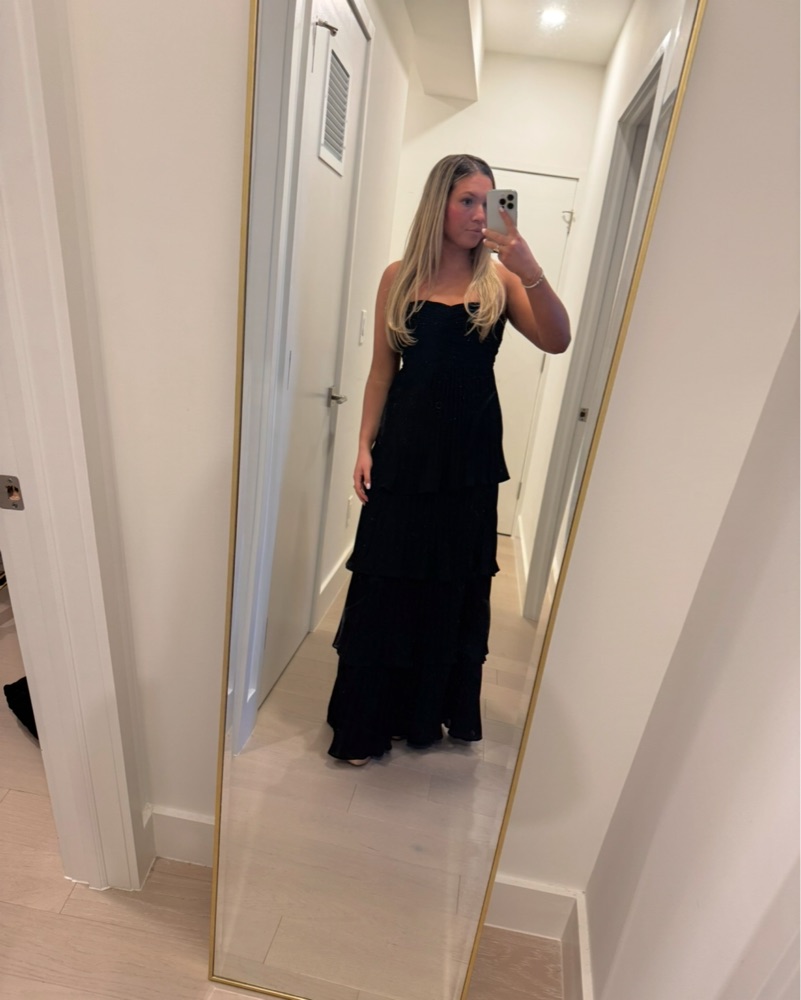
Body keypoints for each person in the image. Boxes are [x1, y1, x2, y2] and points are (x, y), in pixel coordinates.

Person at [326, 154, 570, 765]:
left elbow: (557, 339)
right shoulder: (398, 277)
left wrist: (532, 271)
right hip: (404, 456)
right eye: (467, 200)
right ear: (439, 203)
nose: (479, 214)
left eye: (488, 202)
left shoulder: (501, 283)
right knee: (386, 583)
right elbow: (381, 373)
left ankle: (421, 715)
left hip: (468, 464)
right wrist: (363, 444)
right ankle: (367, 722)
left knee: (448, 588)